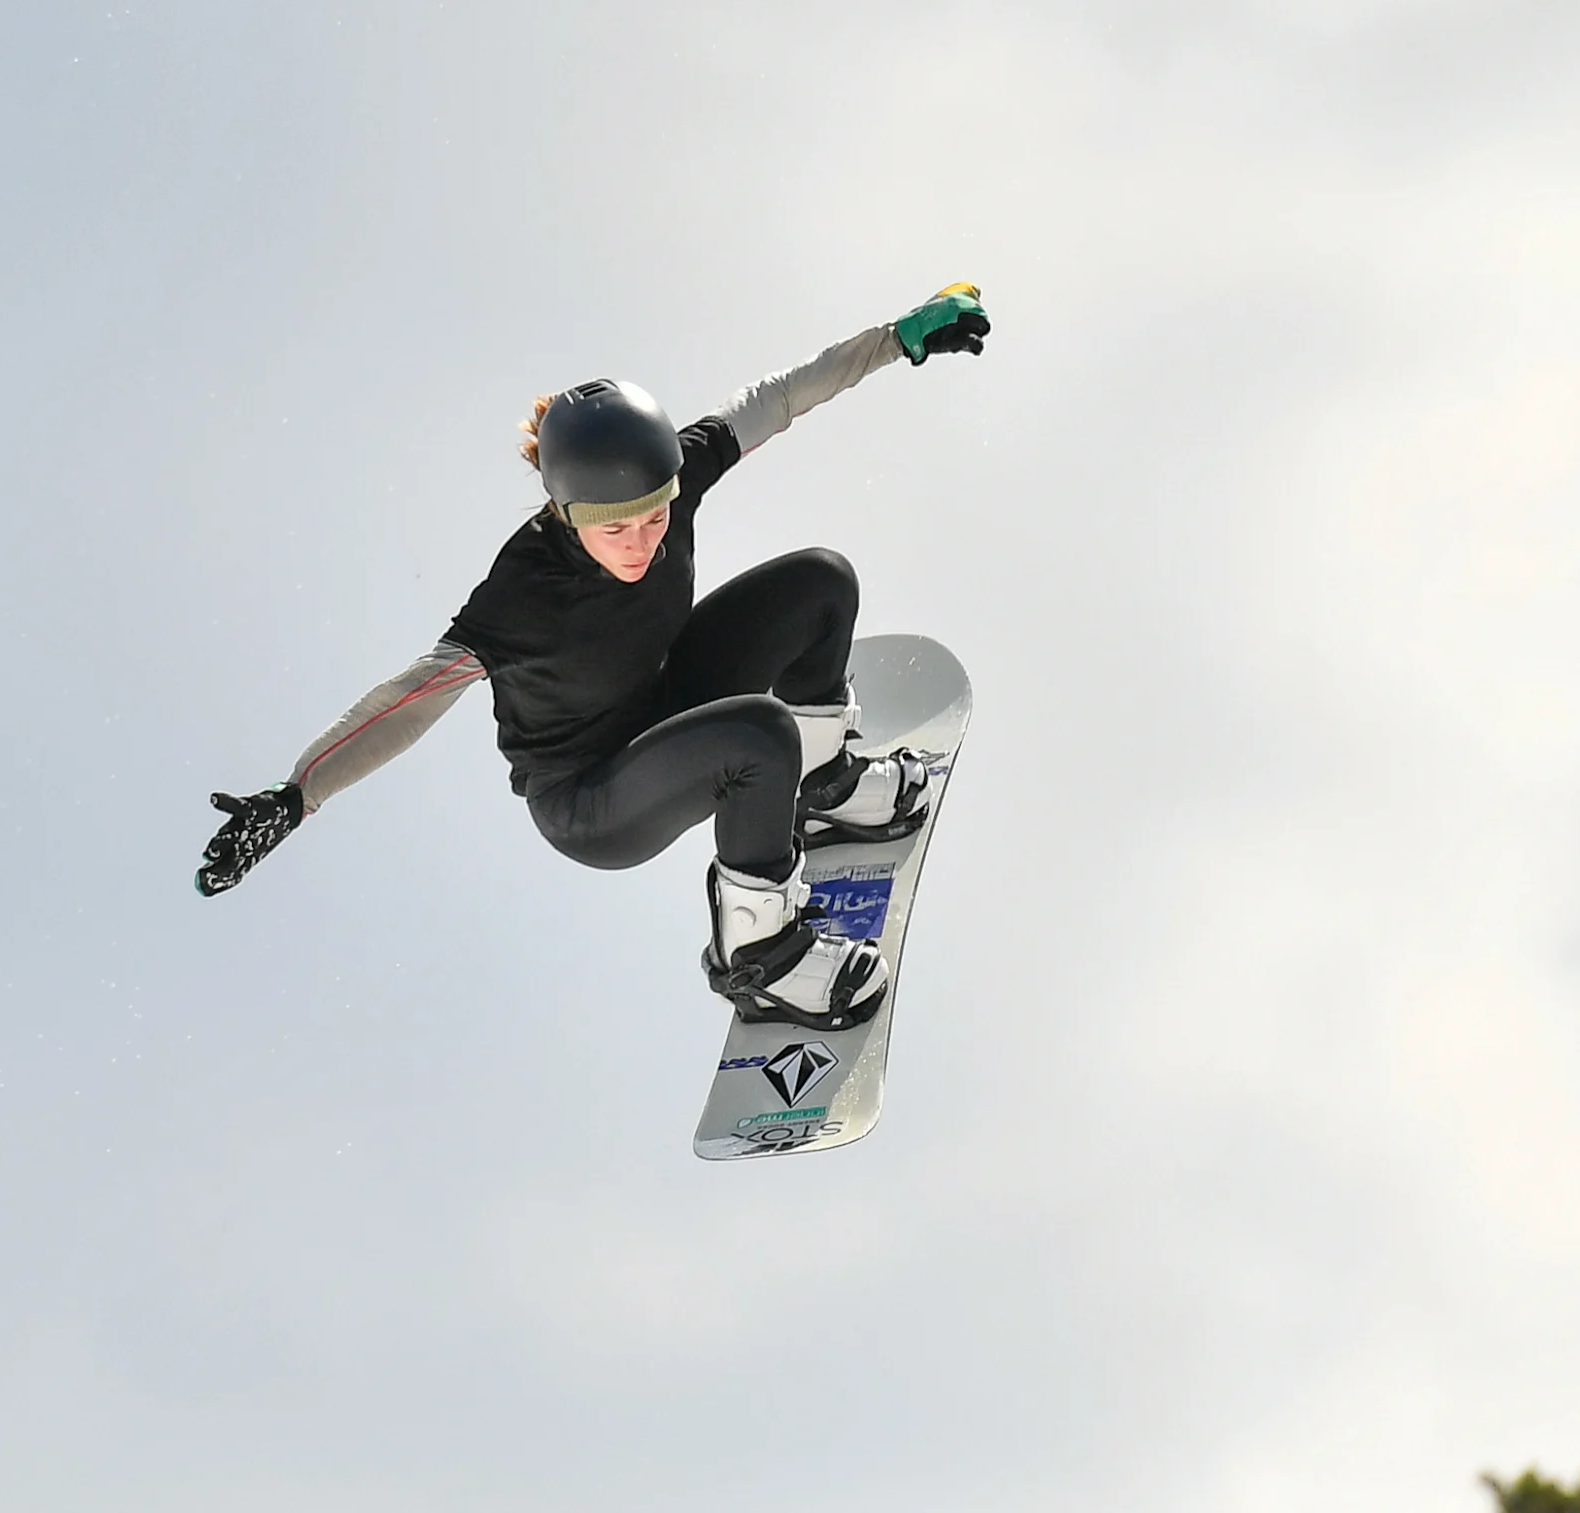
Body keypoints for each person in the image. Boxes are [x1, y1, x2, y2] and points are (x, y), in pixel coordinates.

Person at [193, 284, 992, 1029]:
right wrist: (296, 796)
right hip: (591, 799)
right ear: (568, 515)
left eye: (656, 518)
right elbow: (407, 701)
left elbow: (782, 396)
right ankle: (756, 954)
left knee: (820, 582)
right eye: (616, 530)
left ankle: (819, 785)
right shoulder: (520, 597)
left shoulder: (674, 474)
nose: (642, 543)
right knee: (757, 735)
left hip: (661, 703)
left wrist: (900, 337)